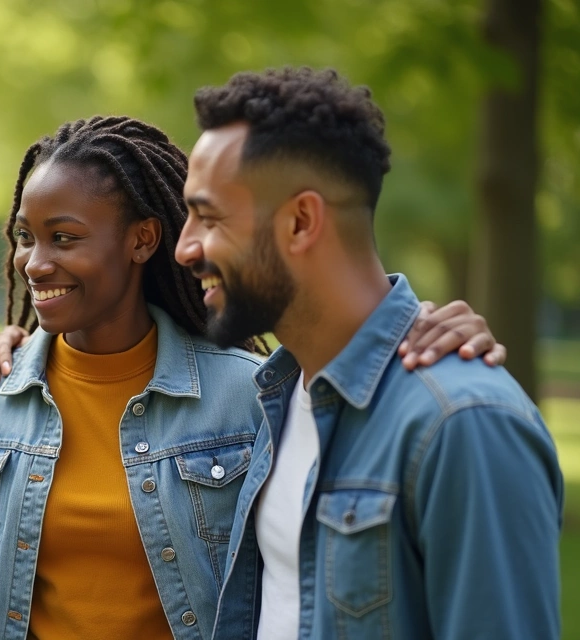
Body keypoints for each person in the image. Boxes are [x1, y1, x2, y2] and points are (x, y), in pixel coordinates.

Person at [0, 117, 507, 640]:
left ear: (142, 239)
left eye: (65, 237)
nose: (34, 262)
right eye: (26, 237)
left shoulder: (255, 397)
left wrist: (411, 323)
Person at [175, 67, 561, 639]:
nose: (185, 247)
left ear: (301, 221)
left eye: (208, 217)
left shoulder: (462, 423)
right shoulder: (278, 397)